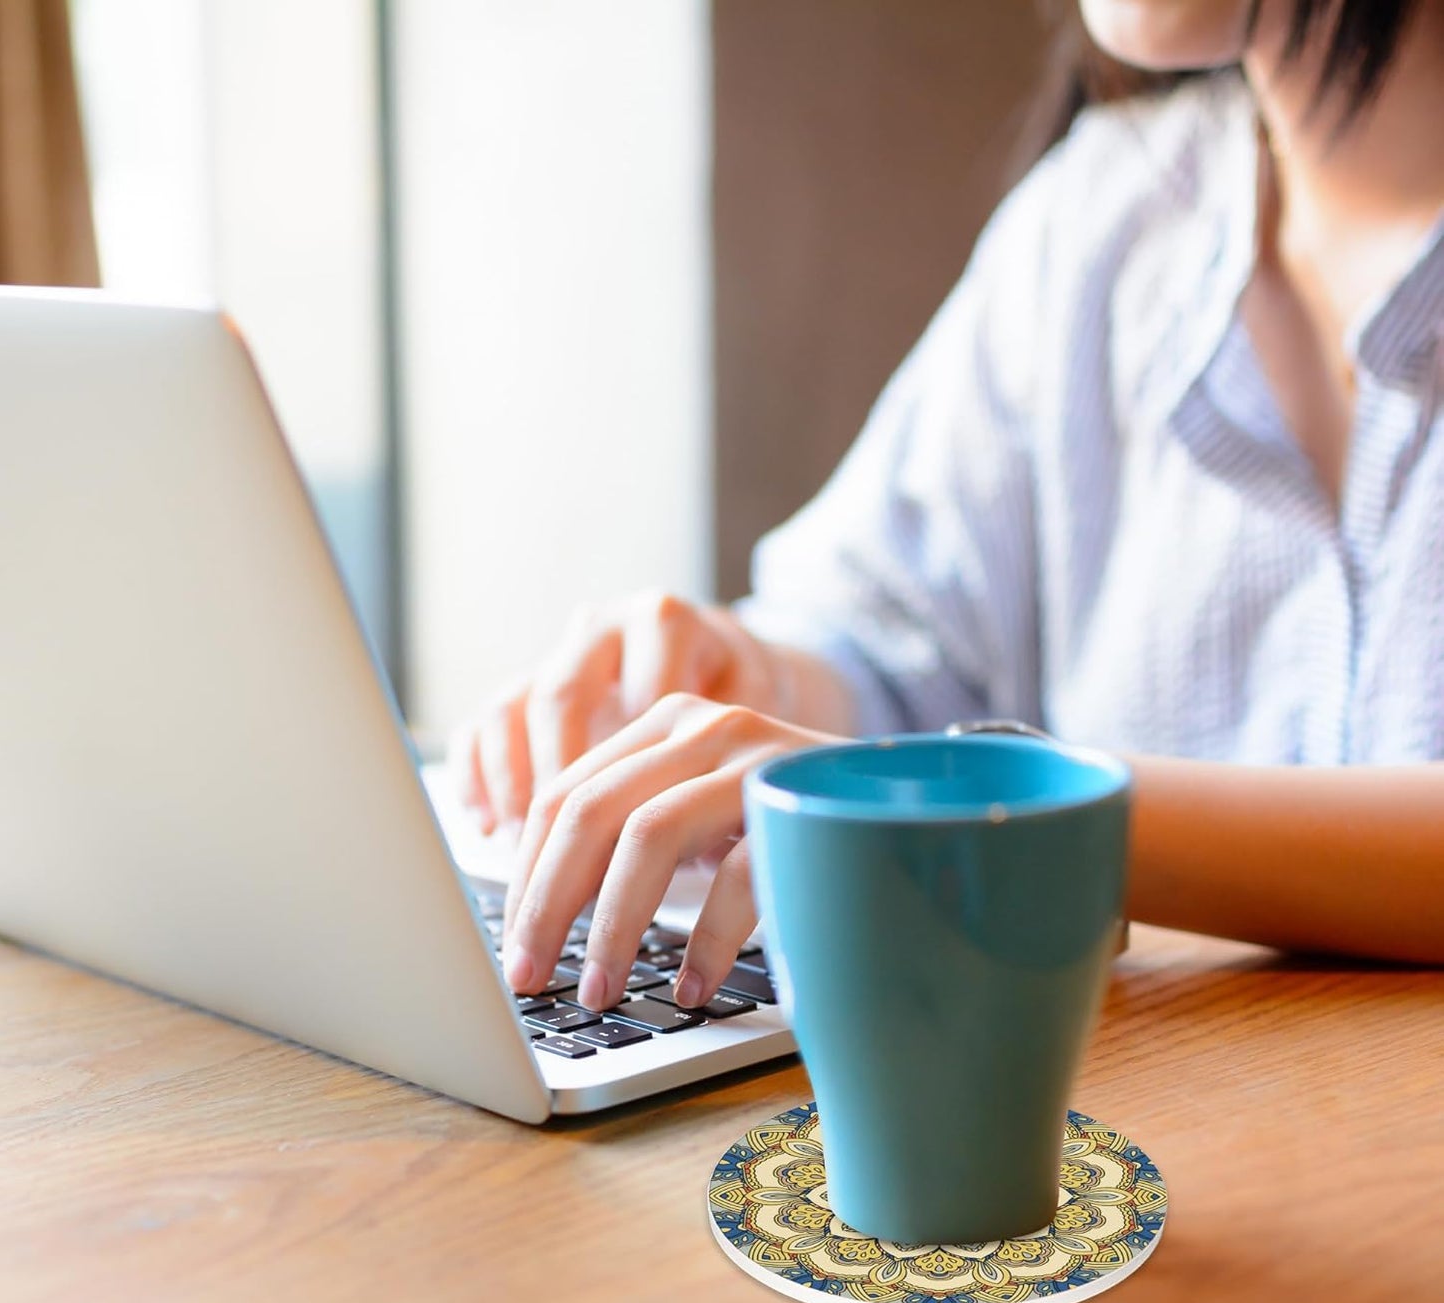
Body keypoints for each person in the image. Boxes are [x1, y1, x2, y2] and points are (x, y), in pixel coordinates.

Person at [452, 0, 1444, 1015]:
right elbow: (899, 636)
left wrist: (999, 805)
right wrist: (747, 681)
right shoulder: (1105, 214)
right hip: (1128, 1135)